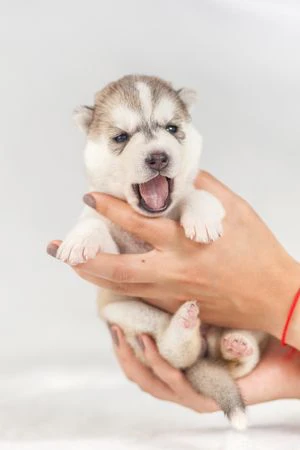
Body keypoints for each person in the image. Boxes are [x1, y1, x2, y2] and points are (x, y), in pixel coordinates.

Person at [47, 171, 300, 413]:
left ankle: (214, 347)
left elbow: (202, 204)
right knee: (138, 323)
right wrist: (288, 371)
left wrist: (285, 301)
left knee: (237, 338)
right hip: (170, 333)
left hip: (221, 335)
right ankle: (197, 344)